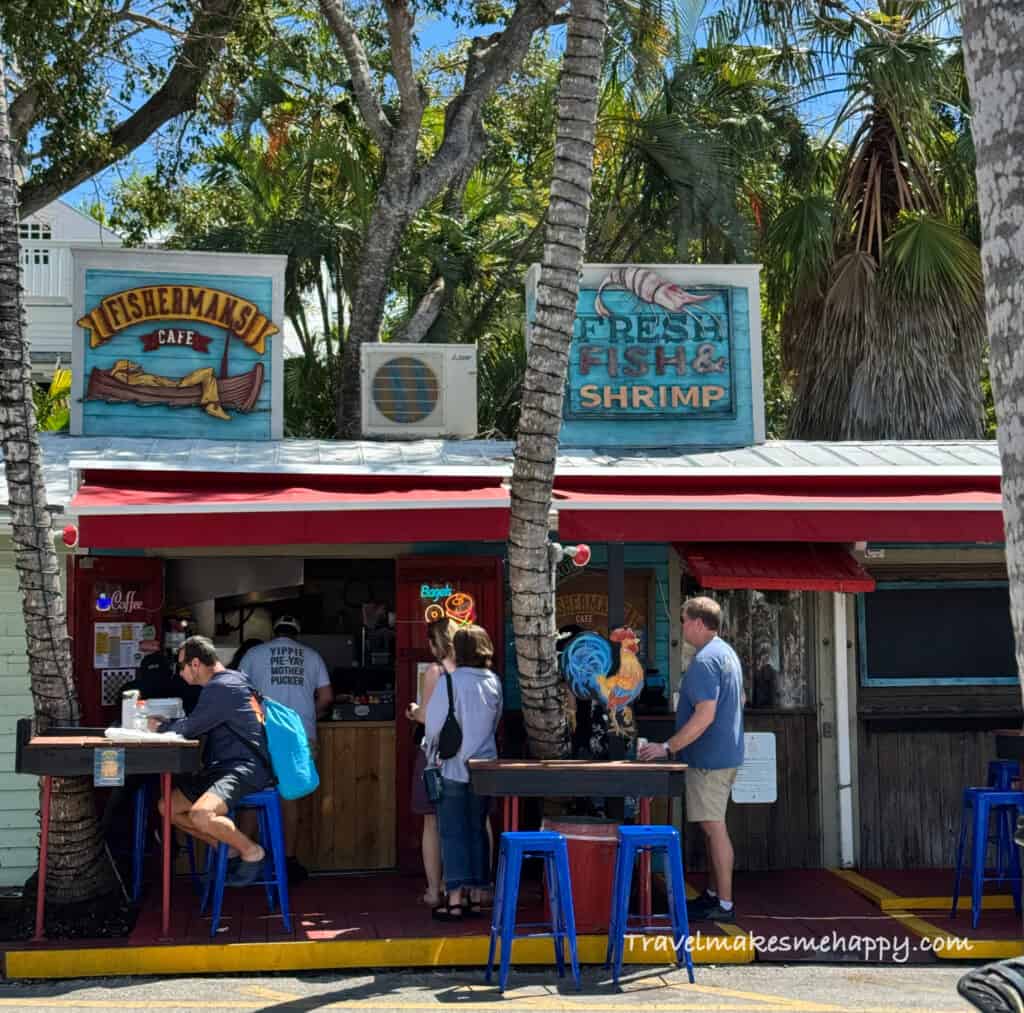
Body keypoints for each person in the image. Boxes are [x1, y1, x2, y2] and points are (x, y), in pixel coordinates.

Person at [639, 596, 744, 923]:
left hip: (709, 759)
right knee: (712, 826)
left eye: (684, 620)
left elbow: (705, 715)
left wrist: (666, 747)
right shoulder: (727, 654)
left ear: (699, 623)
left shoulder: (704, 661)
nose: (681, 626)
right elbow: (737, 699)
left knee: (714, 828)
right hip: (724, 755)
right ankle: (714, 894)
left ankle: (724, 904)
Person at [148, 635, 274, 886]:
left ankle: (253, 852)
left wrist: (158, 727)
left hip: (243, 768)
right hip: (223, 767)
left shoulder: (221, 687)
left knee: (201, 814)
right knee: (167, 808)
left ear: (195, 664)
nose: (180, 673)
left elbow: (191, 727)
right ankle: (229, 849)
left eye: (181, 666)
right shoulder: (234, 679)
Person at [238, 617, 333, 881]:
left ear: (274, 632)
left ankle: (247, 861)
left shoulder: (254, 654)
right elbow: (326, 697)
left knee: (254, 796)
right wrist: (307, 717)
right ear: (297, 634)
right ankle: (287, 862)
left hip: (262, 735)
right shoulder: (312, 656)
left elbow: (239, 693)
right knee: (290, 799)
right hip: (300, 737)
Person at [424, 624, 502, 921]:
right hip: (485, 768)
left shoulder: (451, 682)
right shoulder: (494, 681)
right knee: (477, 831)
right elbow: (495, 724)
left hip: (453, 766)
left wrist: (433, 752)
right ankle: (476, 895)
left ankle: (454, 899)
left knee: (452, 833)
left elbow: (432, 729)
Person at [405, 617, 456, 907]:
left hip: (434, 754)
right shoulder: (473, 672)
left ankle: (434, 891)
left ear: (436, 643)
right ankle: (460, 887)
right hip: (467, 754)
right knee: (463, 821)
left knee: (431, 821)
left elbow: (426, 717)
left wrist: (413, 711)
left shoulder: (435, 671)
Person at [110, 359, 231, 420]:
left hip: (176, 383)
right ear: (125, 370)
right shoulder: (137, 379)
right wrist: (118, 370)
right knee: (208, 372)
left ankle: (210, 403)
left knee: (208, 373)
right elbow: (116, 375)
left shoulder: (139, 377)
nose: (133, 364)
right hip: (177, 385)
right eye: (129, 364)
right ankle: (212, 405)